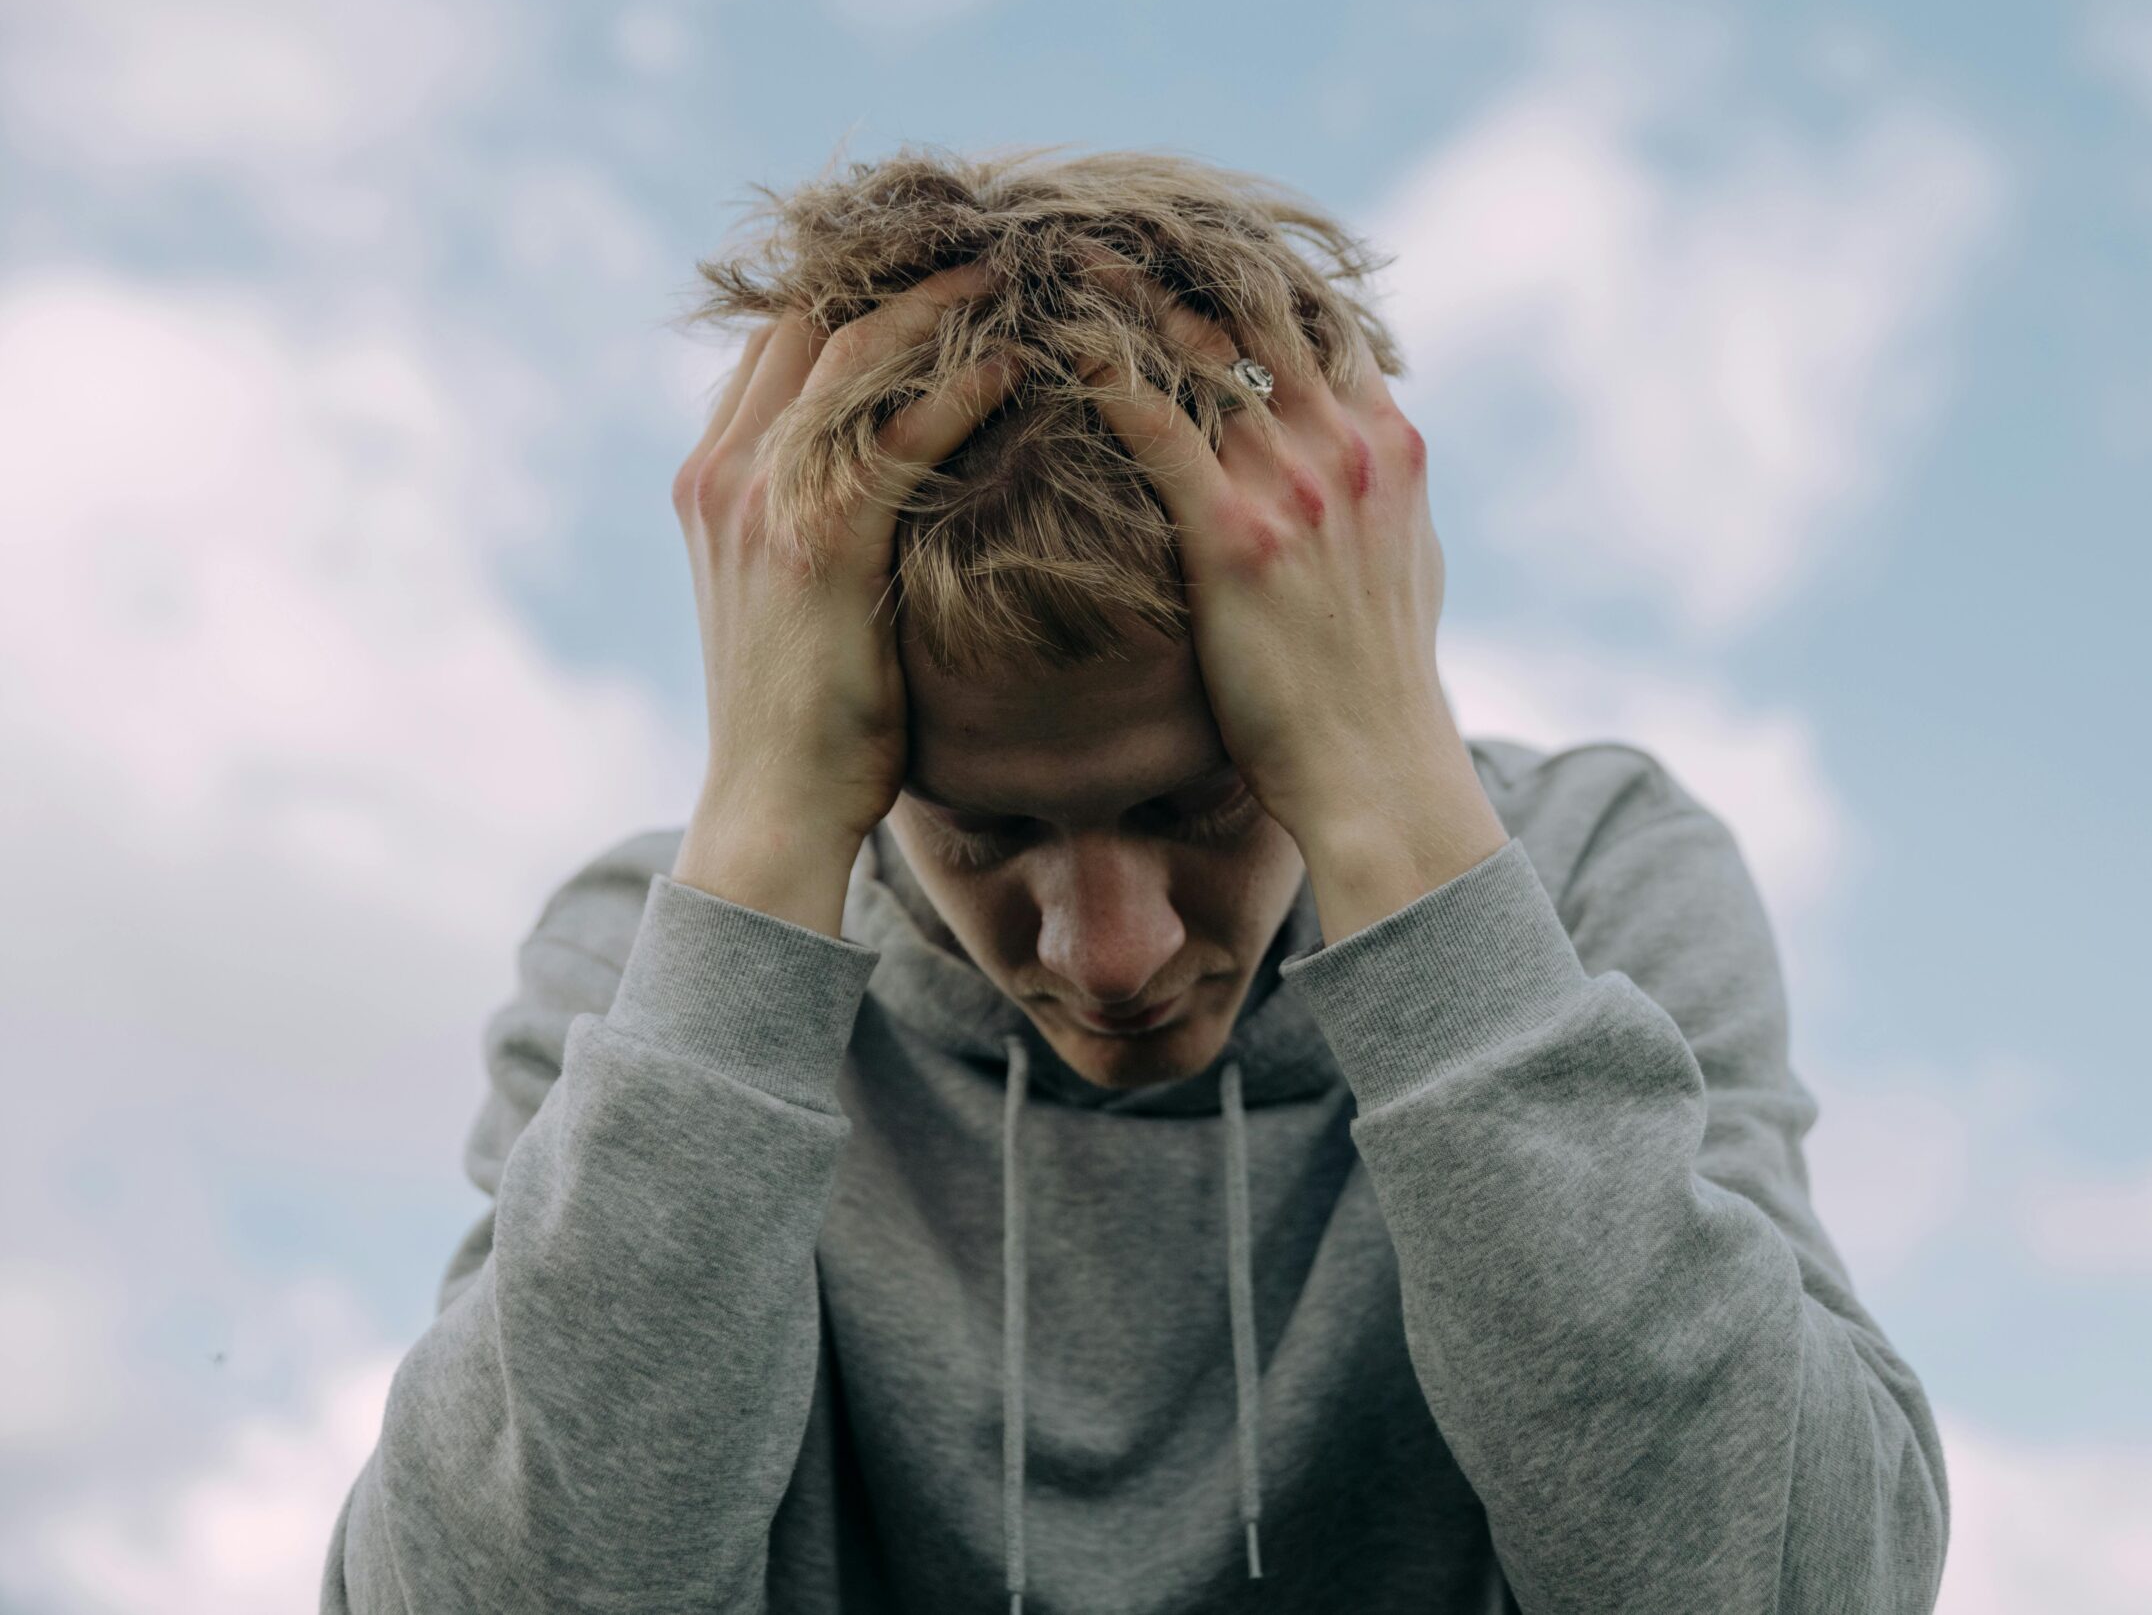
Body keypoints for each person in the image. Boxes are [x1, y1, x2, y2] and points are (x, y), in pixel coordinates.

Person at [320, 144, 1950, 1614]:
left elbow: (1804, 1590)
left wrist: (1399, 818)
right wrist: (756, 842)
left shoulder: (1592, 879)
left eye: (1206, 804)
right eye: (983, 833)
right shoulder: (658, 968)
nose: (1110, 953)